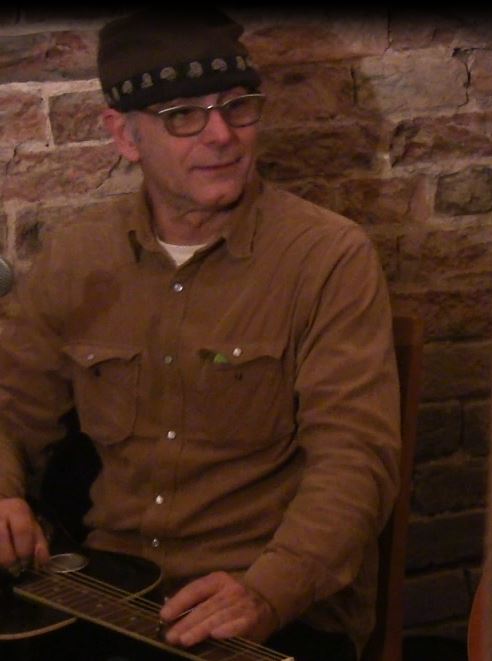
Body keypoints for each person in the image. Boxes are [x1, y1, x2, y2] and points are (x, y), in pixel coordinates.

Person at [0, 8, 400, 661]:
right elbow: (12, 410)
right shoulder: (78, 257)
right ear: (125, 135)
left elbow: (356, 460)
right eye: (183, 114)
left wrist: (269, 590)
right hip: (106, 586)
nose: (222, 136)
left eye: (237, 106)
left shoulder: (327, 257)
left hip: (266, 602)